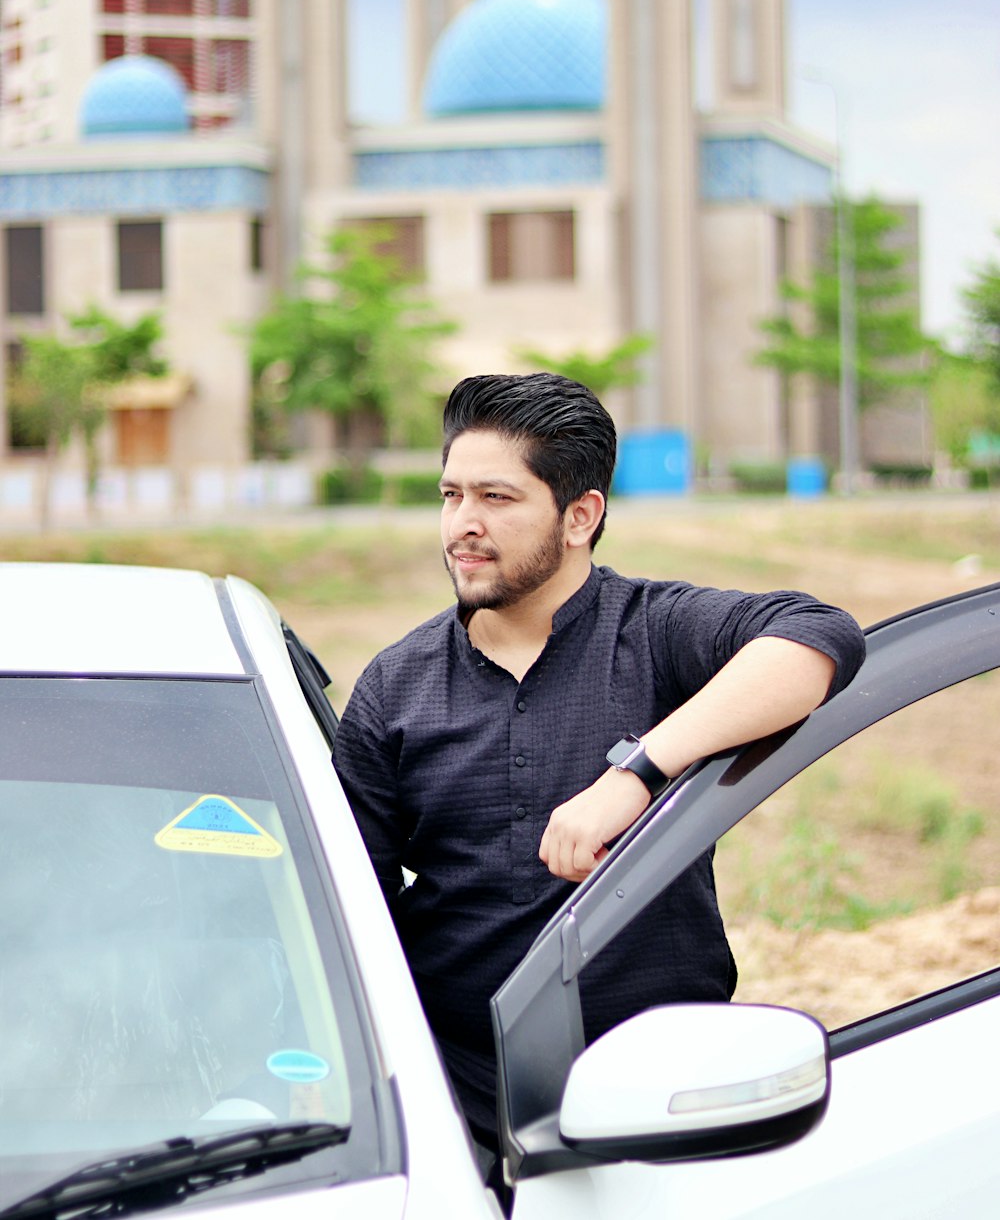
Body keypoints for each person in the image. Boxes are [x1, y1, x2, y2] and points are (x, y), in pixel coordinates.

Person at [332, 372, 866, 1157]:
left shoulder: (655, 631)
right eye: (451, 496)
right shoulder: (394, 685)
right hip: (465, 1116)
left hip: (668, 1095)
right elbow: (351, 908)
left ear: (580, 515)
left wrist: (636, 776)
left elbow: (820, 636)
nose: (461, 526)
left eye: (496, 498)